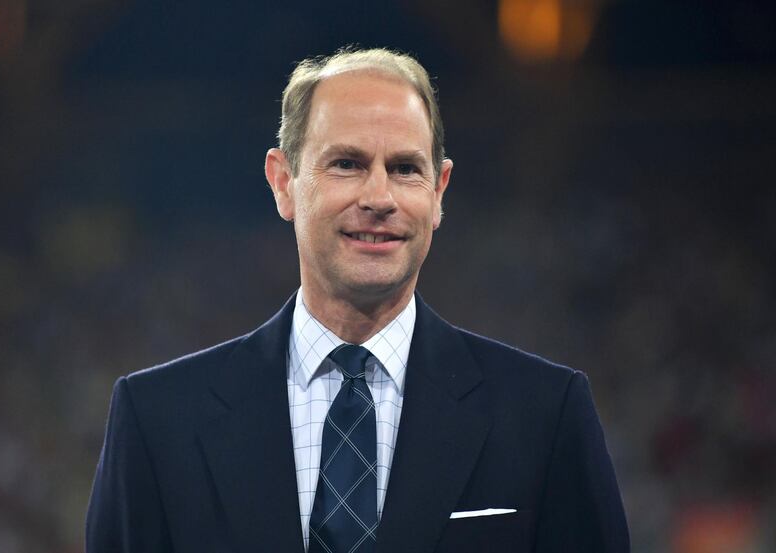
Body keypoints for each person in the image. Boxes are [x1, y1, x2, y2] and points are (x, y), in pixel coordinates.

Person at [86, 47, 629, 553]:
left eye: (405, 169)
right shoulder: (157, 420)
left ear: (438, 193)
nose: (378, 198)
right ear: (284, 182)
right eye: (346, 163)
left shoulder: (545, 415)